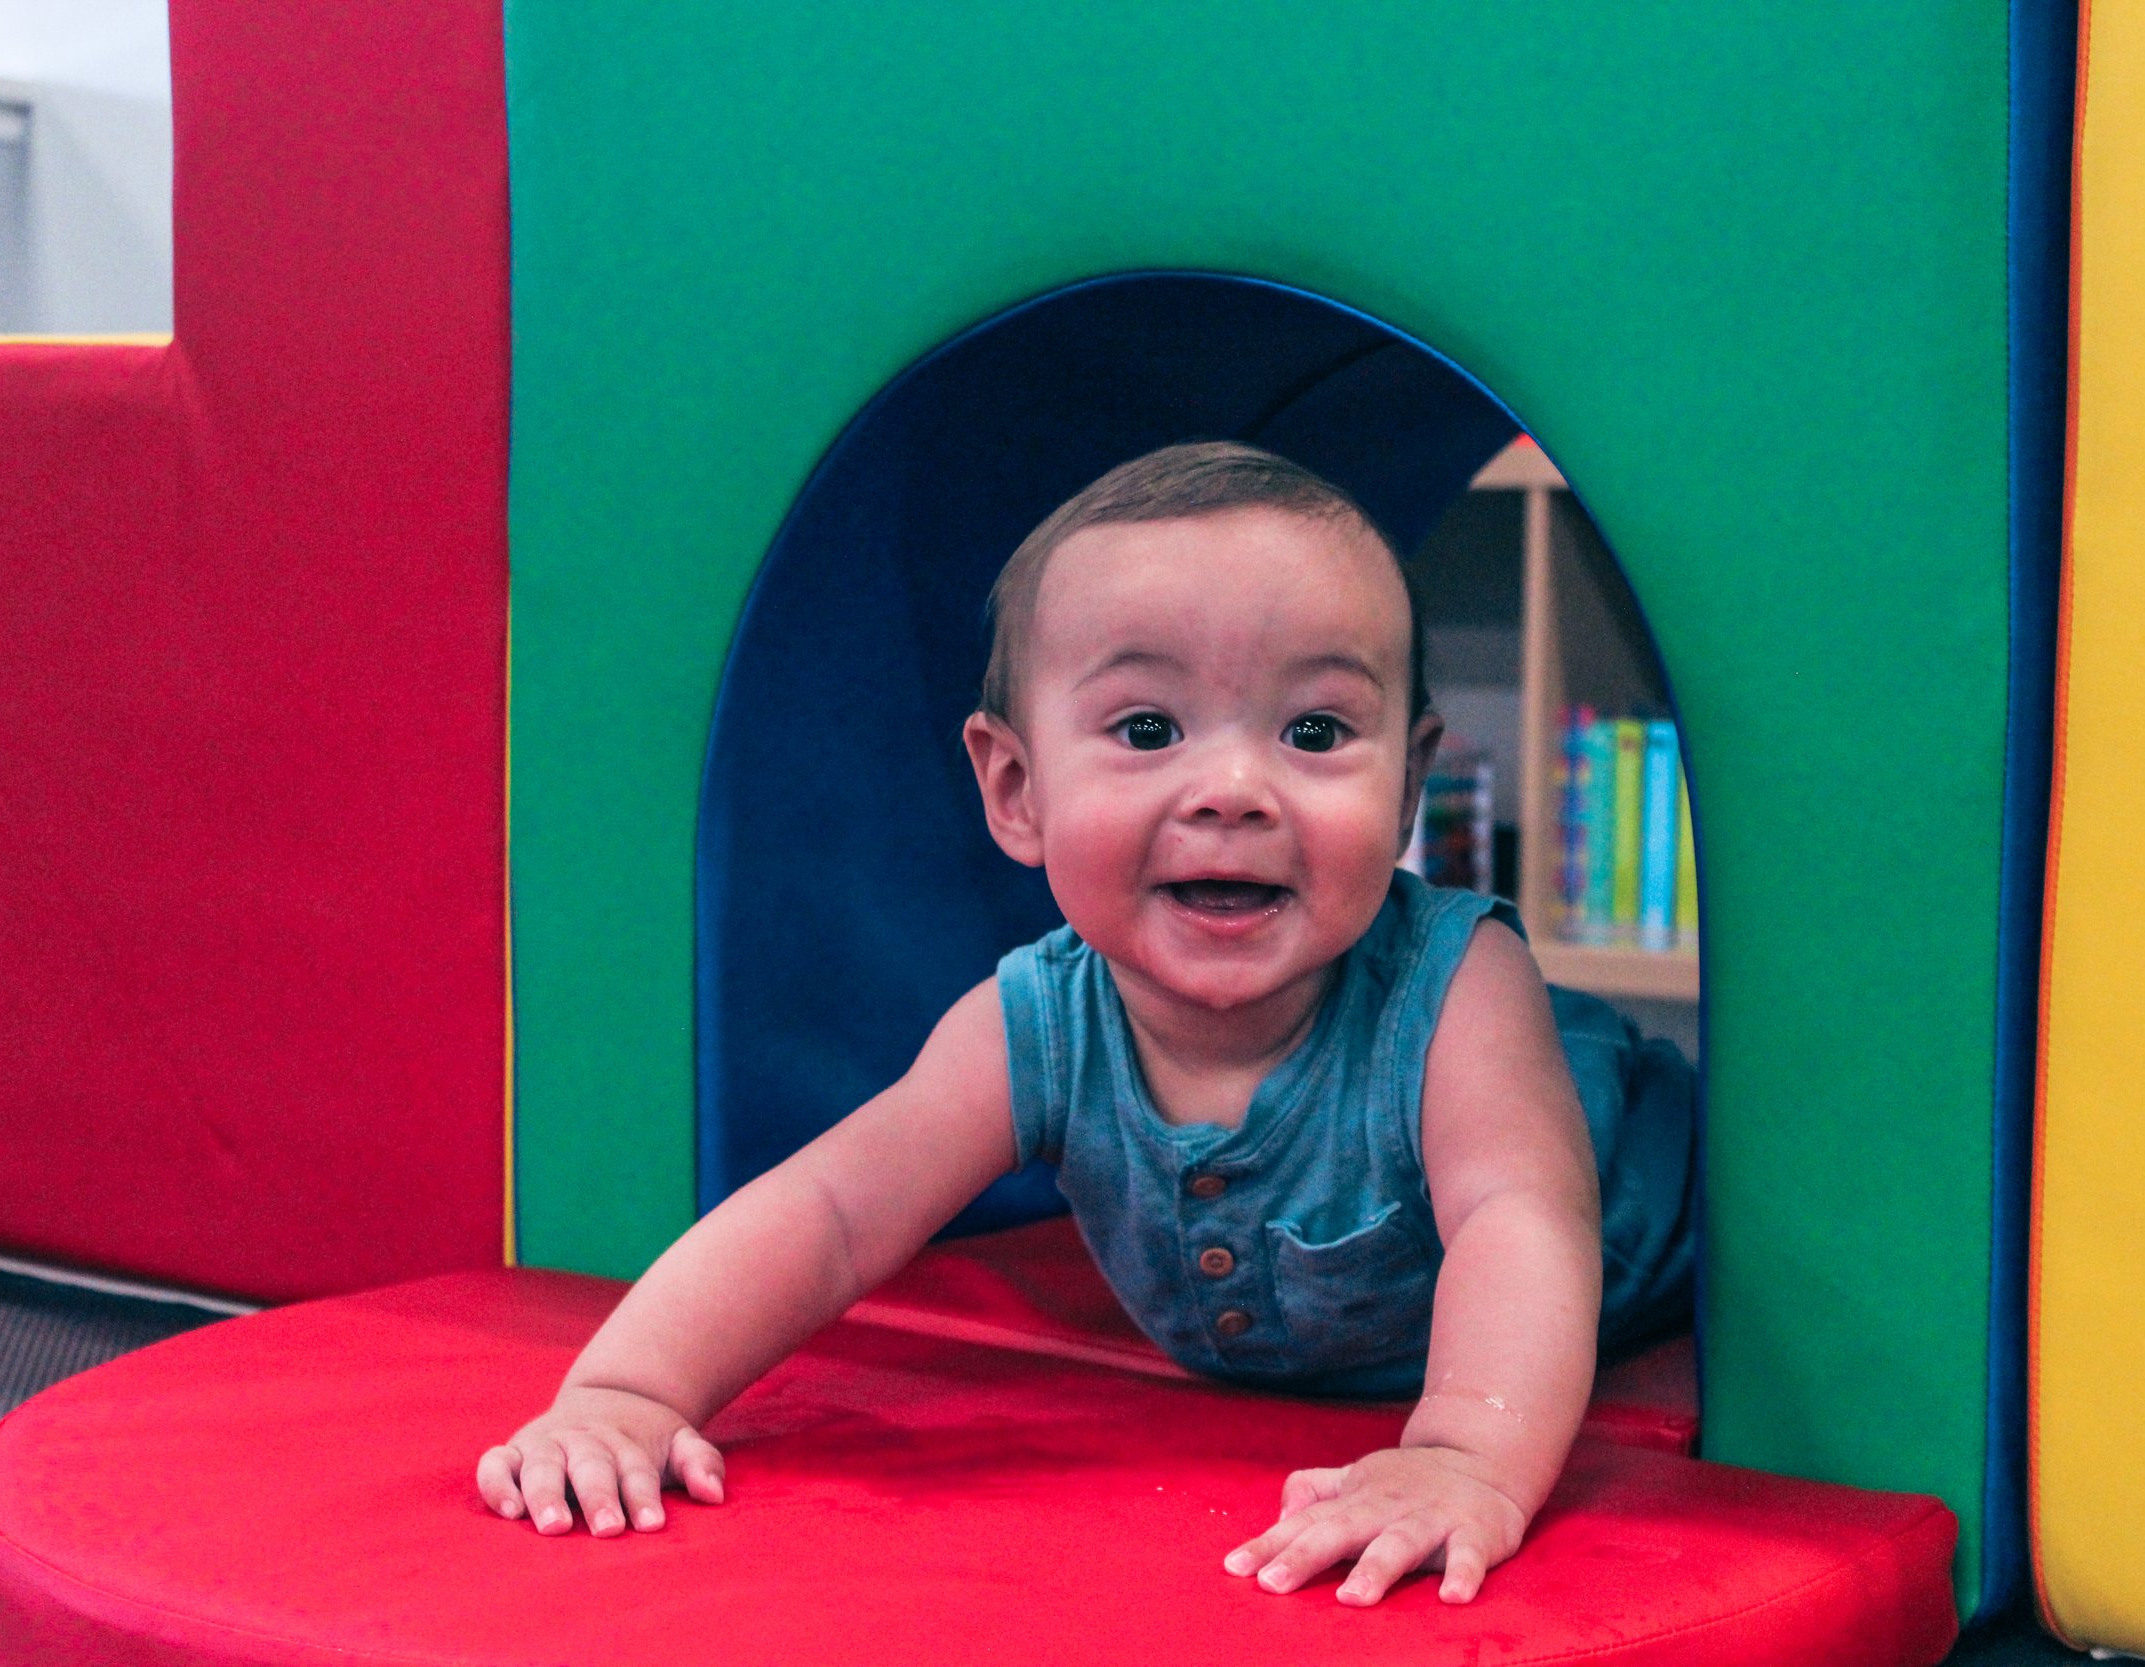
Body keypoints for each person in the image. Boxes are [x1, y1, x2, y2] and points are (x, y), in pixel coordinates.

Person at [475, 442, 1696, 1606]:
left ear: (1410, 782)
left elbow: (1518, 1213)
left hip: (1653, 1221)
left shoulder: (1455, 984)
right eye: (1148, 729)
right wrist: (628, 1389)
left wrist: (1464, 1455)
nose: (1231, 790)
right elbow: (832, 1211)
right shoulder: (1038, 1021)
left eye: (1314, 732)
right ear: (1016, 789)